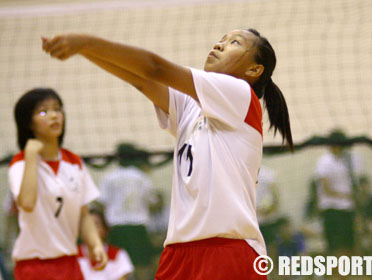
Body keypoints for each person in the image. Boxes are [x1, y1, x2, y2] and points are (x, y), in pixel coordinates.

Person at [42, 27, 294, 279]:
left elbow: (154, 68)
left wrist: (86, 41)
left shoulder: (240, 94)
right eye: (221, 40)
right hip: (178, 252)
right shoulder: (193, 107)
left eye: (234, 43)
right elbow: (141, 79)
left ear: (254, 70)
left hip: (227, 250)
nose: (219, 45)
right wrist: (84, 50)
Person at [8, 88, 107, 280]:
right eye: (43, 111)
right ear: (28, 123)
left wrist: (95, 244)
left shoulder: (74, 162)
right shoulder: (20, 163)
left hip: (70, 263)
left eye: (57, 109)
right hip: (33, 267)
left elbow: (83, 214)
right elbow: (27, 204)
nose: (54, 116)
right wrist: (30, 156)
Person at [98, 143, 157, 279]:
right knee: (142, 265)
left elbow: (101, 203)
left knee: (117, 267)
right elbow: (152, 202)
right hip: (138, 228)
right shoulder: (141, 177)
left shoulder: (109, 177)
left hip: (117, 228)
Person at [315, 129, 362, 257]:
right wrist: (346, 196)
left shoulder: (352, 160)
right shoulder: (324, 161)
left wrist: (355, 198)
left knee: (349, 244)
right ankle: (334, 275)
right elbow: (326, 189)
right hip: (331, 209)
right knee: (334, 246)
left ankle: (346, 275)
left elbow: (355, 183)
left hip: (348, 208)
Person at [78, 208, 134, 280]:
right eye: (88, 227)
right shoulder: (73, 255)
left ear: (105, 229)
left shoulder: (118, 254)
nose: (91, 231)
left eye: (96, 225)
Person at [357, 175, 372, 254]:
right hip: (361, 223)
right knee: (357, 233)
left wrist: (370, 222)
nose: (364, 188)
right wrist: (362, 223)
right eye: (362, 186)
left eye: (365, 185)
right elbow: (357, 215)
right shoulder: (356, 200)